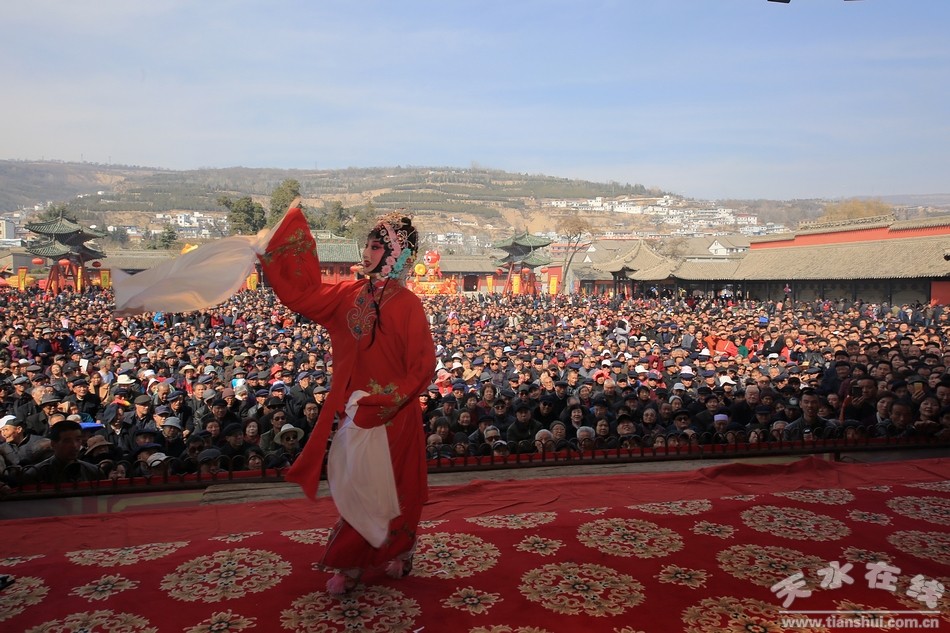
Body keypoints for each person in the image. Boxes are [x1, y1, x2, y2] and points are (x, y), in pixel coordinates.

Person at [259, 203, 435, 595]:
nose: (366, 252)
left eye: (376, 247)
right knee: (358, 488)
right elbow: (304, 296)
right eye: (368, 245)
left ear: (397, 255)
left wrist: (385, 402)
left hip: (393, 415)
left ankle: (392, 552)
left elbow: (422, 366)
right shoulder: (348, 294)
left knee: (395, 490)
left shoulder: (408, 305)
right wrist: (278, 249)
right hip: (356, 412)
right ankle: (354, 559)